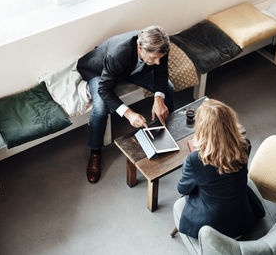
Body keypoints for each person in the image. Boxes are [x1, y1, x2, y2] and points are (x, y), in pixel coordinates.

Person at [77, 26, 174, 183]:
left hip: (131, 70)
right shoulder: (118, 54)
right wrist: (129, 113)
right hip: (98, 70)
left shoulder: (161, 47)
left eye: (160, 58)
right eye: (154, 58)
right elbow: (104, 90)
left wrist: (159, 100)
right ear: (140, 48)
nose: (158, 62)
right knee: (101, 110)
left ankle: (164, 130)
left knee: (167, 88)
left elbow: (161, 73)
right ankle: (95, 152)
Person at [177, 99, 254, 239]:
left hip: (213, 228)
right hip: (242, 218)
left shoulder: (195, 159)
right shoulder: (245, 145)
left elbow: (183, 189)